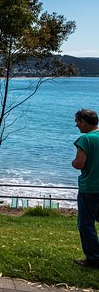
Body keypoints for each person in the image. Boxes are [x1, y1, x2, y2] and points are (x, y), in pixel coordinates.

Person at [71, 109, 99, 269]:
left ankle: (94, 258)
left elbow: (79, 163)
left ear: (83, 122)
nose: (76, 125)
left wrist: (73, 163)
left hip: (90, 188)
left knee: (86, 224)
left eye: (77, 122)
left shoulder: (85, 140)